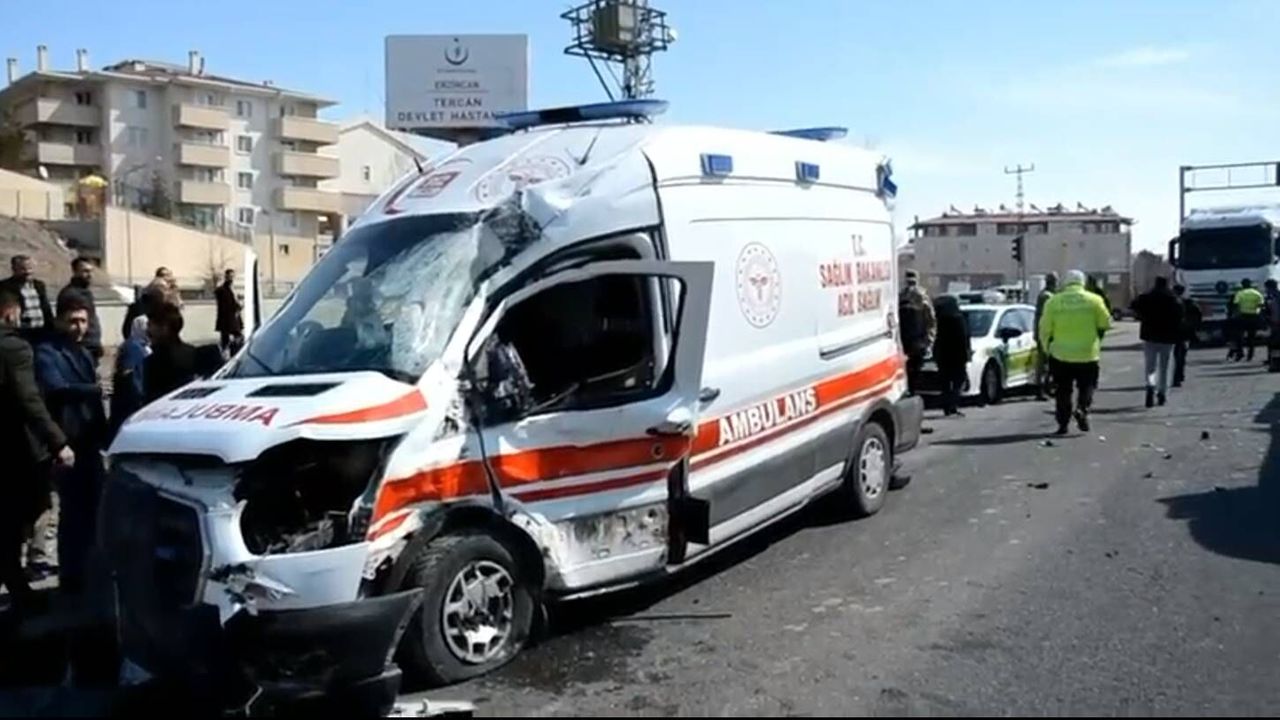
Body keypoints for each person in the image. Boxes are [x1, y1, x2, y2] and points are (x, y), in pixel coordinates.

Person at [0, 290, 72, 611]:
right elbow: (29, 399)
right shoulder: (14, 348)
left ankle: (18, 587)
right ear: (10, 313)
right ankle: (19, 589)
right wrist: (58, 441)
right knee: (22, 514)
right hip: (16, 450)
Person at [35, 295, 108, 596]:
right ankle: (71, 577)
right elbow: (56, 388)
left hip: (90, 442)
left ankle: (90, 572)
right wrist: (94, 389)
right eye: (72, 321)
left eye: (83, 321)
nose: (78, 327)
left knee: (94, 510)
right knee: (72, 514)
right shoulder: (47, 352)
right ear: (59, 320)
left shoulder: (85, 354)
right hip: (67, 444)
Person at [1038, 269, 1112, 435]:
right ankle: (1082, 409)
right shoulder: (1095, 300)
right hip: (1087, 353)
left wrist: (1047, 348)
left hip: (1060, 354)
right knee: (1087, 386)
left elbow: (1044, 329)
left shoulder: (1054, 301)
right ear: (1082, 282)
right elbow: (1106, 323)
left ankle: (1063, 423)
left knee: (1063, 390)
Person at [1130, 276, 1184, 408]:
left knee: (1151, 366)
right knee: (1165, 367)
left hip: (1149, 336)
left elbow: (1133, 306)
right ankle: (1162, 393)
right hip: (1167, 337)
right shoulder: (1173, 299)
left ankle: (1150, 386)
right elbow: (1181, 315)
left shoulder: (1146, 297)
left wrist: (1142, 316)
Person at [109, 316, 151, 441]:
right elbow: (128, 373)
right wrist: (139, 395)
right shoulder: (132, 346)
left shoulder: (144, 345)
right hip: (131, 401)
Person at [144, 304, 197, 402]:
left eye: (150, 325)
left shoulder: (157, 360)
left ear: (164, 328)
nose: (147, 331)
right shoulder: (192, 352)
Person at [56, 257, 103, 363]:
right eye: (85, 271)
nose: (89, 275)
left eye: (91, 271)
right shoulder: (71, 294)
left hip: (90, 345)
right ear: (75, 272)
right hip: (81, 346)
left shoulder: (85, 292)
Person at [0, 255, 54, 345]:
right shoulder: (5, 287)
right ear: (14, 269)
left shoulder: (39, 285)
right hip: (21, 333)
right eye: (23, 269)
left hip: (41, 331)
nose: (27, 272)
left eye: (30, 268)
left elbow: (46, 308)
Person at [932, 295, 972, 417]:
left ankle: (947, 406)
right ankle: (952, 405)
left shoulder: (939, 320)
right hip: (958, 356)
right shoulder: (959, 318)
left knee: (945, 382)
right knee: (958, 381)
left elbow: (935, 338)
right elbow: (964, 338)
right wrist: (967, 354)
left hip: (943, 356)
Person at [898, 269, 936, 394]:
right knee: (911, 369)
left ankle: (911, 390)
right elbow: (931, 321)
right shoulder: (907, 296)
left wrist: (928, 340)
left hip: (912, 340)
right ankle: (911, 390)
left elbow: (930, 321)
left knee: (912, 369)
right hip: (910, 340)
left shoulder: (918, 296)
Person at [1033, 272, 1059, 400]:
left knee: (1047, 362)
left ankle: (1047, 387)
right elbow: (1047, 317)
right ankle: (1041, 389)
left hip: (1044, 332)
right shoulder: (1047, 296)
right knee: (1044, 362)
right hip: (1046, 333)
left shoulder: (1046, 295)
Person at [1228, 278, 1265, 362]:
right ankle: (1250, 355)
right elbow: (1261, 305)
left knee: (1239, 336)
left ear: (1242, 285)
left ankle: (1240, 353)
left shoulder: (1240, 293)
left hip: (1242, 317)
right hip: (1254, 316)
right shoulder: (1257, 293)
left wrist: (1234, 315)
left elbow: (1235, 305)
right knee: (1251, 337)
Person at [1172, 284, 1201, 387]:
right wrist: (1195, 328)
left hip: (1174, 333)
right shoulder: (1189, 302)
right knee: (1181, 355)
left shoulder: (1172, 302)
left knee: (1176, 355)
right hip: (1185, 333)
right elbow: (1198, 315)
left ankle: (1177, 376)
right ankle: (1179, 375)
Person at [214, 268, 244, 356]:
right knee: (227, 339)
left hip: (233, 318)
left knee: (234, 337)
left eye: (232, 276)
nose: (231, 278)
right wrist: (237, 306)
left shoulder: (232, 289)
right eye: (230, 276)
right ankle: (228, 354)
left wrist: (239, 305)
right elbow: (225, 305)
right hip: (227, 319)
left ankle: (232, 353)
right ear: (226, 277)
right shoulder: (222, 290)